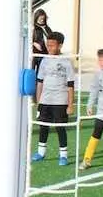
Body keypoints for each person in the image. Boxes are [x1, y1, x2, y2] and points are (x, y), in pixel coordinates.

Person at [31, 31, 74, 166]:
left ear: (60, 46)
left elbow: (71, 85)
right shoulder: (44, 60)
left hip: (60, 100)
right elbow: (40, 81)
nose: (49, 48)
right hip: (45, 100)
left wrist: (70, 104)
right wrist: (39, 101)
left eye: (52, 45)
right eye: (48, 45)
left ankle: (63, 155)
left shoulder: (66, 62)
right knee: (43, 126)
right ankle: (41, 152)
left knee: (60, 127)